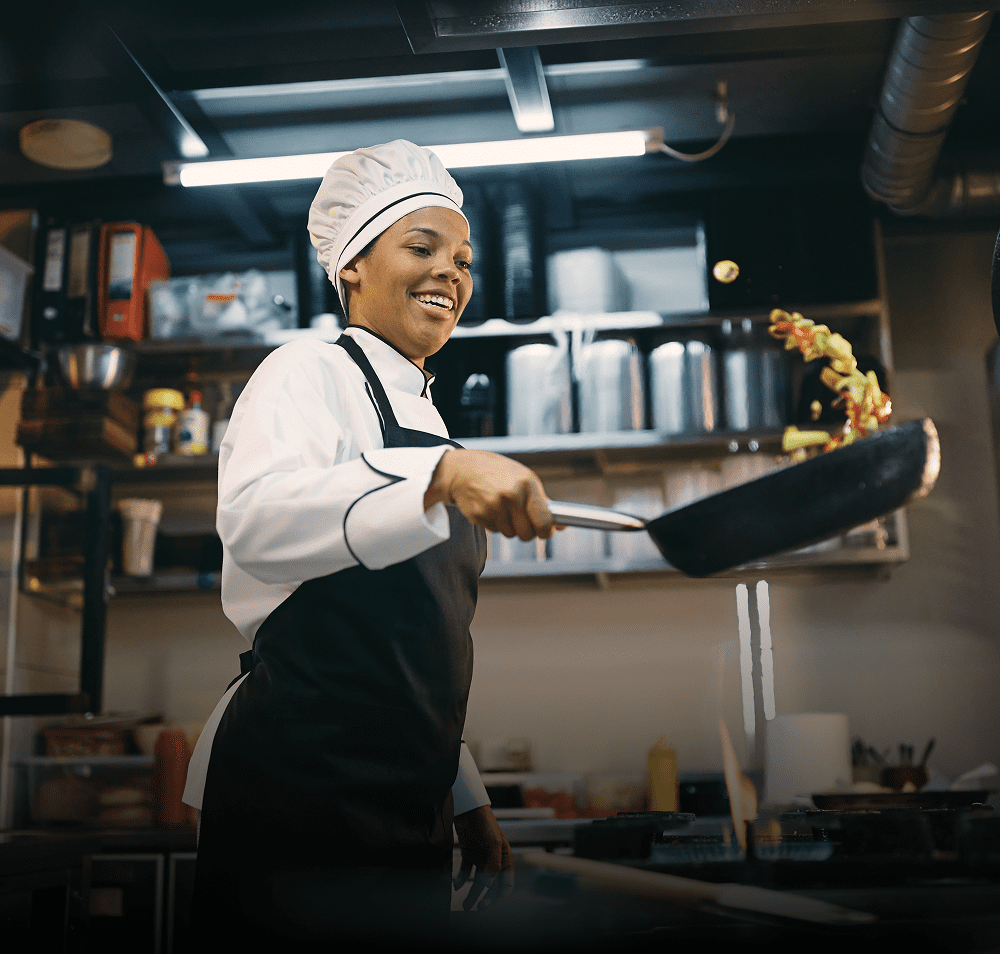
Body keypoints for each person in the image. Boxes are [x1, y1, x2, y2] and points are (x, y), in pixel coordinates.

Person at [183, 140, 557, 949]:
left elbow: (413, 653)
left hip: (405, 803)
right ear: (351, 265)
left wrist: (469, 802)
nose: (449, 275)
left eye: (463, 260)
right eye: (421, 248)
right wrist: (438, 480)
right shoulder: (306, 370)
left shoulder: (432, 423)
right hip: (298, 792)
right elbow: (254, 519)